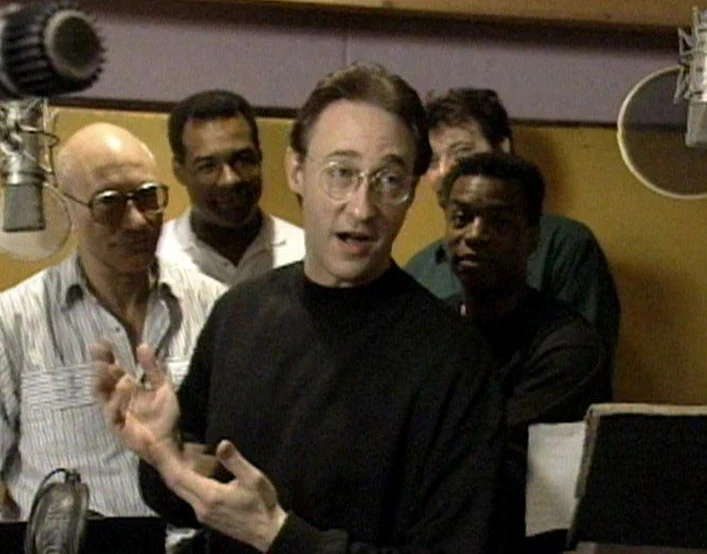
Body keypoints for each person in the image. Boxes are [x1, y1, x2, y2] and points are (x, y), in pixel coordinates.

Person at [94, 63, 503, 554]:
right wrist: (165, 459)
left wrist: (277, 535)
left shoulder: (455, 361)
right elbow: (197, 502)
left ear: (413, 190)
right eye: (341, 173)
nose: (361, 207)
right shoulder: (239, 315)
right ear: (296, 171)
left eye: (389, 179)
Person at [0, 123, 226, 519]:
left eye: (147, 197)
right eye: (109, 203)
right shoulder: (14, 323)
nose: (137, 221)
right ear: (67, 208)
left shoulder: (216, 308)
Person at [440, 151, 612, 554]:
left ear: (532, 236)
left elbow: (496, 472)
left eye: (498, 222)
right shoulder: (430, 327)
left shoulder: (569, 347)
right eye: (461, 218)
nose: (475, 235)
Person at [405, 88, 621, 359]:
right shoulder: (420, 269)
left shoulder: (564, 245)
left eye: (461, 153)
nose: (446, 171)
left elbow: (584, 358)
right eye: (433, 161)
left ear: (502, 149)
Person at [158, 90, 305, 286]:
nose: (229, 179)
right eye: (208, 167)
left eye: (242, 160)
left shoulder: (305, 255)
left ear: (259, 157)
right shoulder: (158, 259)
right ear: (179, 172)